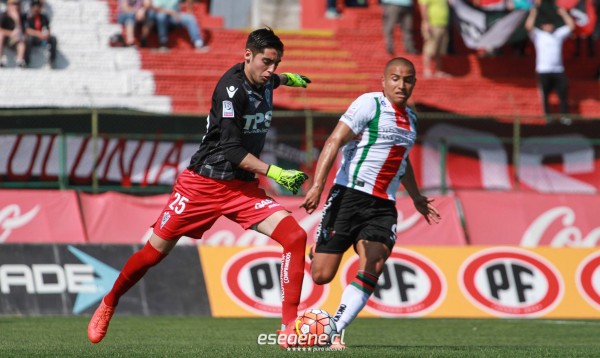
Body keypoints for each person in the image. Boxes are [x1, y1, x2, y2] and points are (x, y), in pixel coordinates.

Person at [88, 28, 312, 348]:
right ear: (247, 56)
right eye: (267, 62)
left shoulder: (266, 79)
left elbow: (276, 78)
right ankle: (109, 302)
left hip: (241, 189)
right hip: (202, 185)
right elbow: (233, 151)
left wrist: (292, 78)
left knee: (295, 236)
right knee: (153, 254)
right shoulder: (230, 91)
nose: (272, 69)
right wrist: (275, 172)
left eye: (277, 63)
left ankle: (289, 326)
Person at [301, 57, 441, 349]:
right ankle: (319, 251)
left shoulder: (411, 119)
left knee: (374, 262)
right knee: (322, 275)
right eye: (395, 78)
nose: (401, 85)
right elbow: (333, 141)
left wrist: (415, 197)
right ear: (383, 80)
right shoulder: (370, 104)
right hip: (348, 195)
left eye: (408, 80)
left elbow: (401, 162)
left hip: (382, 205)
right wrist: (317, 184)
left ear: (414, 83)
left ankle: (333, 329)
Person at [525, 3, 575, 123]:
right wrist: (533, 13)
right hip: (543, 70)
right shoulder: (539, 35)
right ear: (542, 26)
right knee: (545, 95)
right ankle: (547, 116)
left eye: (550, 25)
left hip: (558, 70)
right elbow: (528, 27)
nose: (548, 27)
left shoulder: (558, 35)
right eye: (546, 25)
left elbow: (571, 26)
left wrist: (563, 14)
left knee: (563, 92)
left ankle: (564, 116)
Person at [418, 0, 450, 78]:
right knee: (429, 47)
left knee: (439, 50)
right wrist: (426, 22)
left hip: (443, 24)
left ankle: (438, 70)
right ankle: (427, 70)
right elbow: (423, 7)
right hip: (432, 24)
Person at [23, 0, 57, 68]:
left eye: (38, 7)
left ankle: (52, 59)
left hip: (42, 39)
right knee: (28, 40)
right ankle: (26, 61)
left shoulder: (43, 17)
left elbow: (47, 28)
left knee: (53, 39)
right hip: (33, 38)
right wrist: (39, 34)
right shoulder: (27, 16)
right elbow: (27, 30)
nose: (37, 8)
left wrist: (47, 34)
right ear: (31, 7)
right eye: (35, 7)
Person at [0, 0, 26, 68]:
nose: (16, 6)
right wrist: (10, 33)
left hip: (14, 40)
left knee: (21, 42)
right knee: (0, 36)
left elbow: (21, 32)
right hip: (4, 39)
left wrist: (17, 20)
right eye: (13, 4)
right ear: (8, 6)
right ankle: (0, 59)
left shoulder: (21, 17)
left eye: (17, 4)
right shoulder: (3, 15)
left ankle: (20, 61)